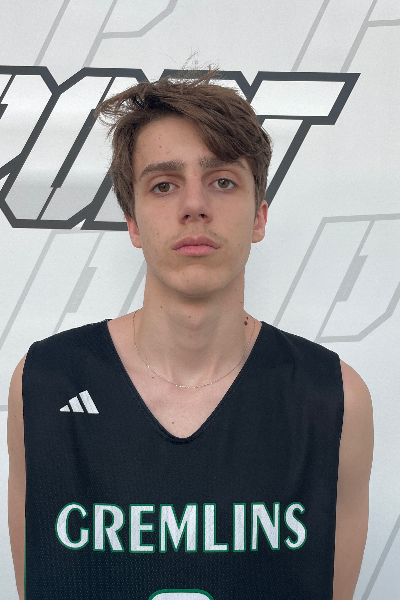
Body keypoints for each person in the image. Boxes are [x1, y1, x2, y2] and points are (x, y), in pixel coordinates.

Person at [7, 71, 373, 600]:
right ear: (133, 223)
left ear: (259, 217)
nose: (194, 205)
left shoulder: (332, 397)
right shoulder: (45, 383)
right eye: (164, 185)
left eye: (223, 181)